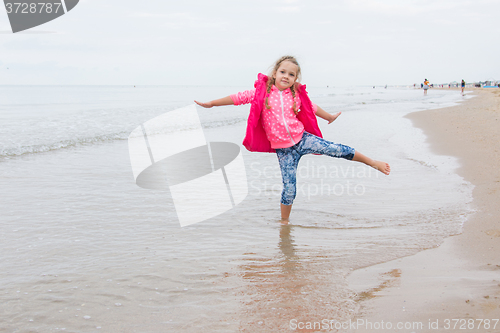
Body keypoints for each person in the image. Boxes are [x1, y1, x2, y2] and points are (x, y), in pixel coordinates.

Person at [195, 56, 390, 222]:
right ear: (275, 73)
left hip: (303, 139)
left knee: (337, 149)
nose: (286, 77)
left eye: (291, 74)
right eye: (283, 72)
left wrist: (329, 116)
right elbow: (238, 98)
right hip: (284, 150)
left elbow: (311, 107)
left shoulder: (295, 95)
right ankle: (284, 222)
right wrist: (212, 104)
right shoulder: (261, 94)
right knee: (289, 188)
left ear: (296, 78)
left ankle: (373, 162)